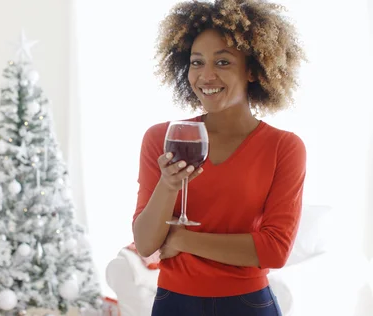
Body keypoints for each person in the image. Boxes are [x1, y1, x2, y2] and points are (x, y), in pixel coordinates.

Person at [131, 0, 307, 315]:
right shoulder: (163, 138)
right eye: (197, 62)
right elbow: (146, 244)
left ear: (253, 70)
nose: (206, 76)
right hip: (173, 304)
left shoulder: (284, 147)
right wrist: (169, 184)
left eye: (223, 62)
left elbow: (275, 250)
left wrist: (183, 241)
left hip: (248, 305)